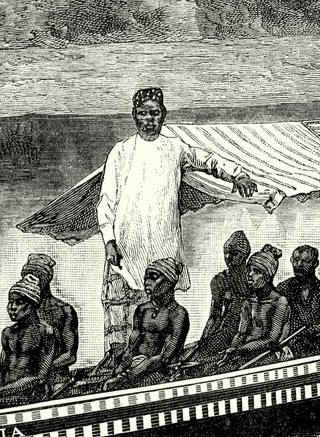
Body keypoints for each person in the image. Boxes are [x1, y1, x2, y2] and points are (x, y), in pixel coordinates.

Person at [97, 87, 258, 352]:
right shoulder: (121, 151)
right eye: (143, 113)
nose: (149, 119)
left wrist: (237, 175)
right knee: (123, 322)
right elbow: (106, 200)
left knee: (161, 322)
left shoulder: (174, 147)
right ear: (134, 115)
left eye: (154, 113)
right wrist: (109, 240)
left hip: (163, 251)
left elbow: (208, 160)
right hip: (126, 250)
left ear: (163, 115)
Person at [102, 258, 191, 391]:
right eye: (146, 278)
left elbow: (167, 355)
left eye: (154, 278)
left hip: (161, 370)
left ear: (169, 282)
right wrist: (119, 370)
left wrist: (131, 375)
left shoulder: (178, 314)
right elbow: (131, 348)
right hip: (137, 367)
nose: (147, 283)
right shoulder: (142, 310)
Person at [0, 276, 59, 408]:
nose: (12, 307)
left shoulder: (45, 332)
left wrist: (4, 390)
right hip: (4, 393)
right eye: (10, 302)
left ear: (32, 304)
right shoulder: (8, 333)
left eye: (19, 302)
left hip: (32, 394)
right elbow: (3, 368)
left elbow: (40, 377)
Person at [221, 245, 290, 369]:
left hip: (270, 356)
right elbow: (241, 334)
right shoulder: (248, 302)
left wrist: (240, 350)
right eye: (249, 270)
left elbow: (272, 339)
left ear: (268, 276)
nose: (250, 275)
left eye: (257, 272)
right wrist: (232, 349)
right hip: (247, 354)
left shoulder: (280, 302)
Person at [193, 230, 251, 361]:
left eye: (234, 254)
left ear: (244, 256)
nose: (228, 257)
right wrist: (204, 340)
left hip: (250, 331)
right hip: (227, 330)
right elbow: (214, 316)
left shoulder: (254, 278)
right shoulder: (219, 280)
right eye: (226, 253)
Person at [276, 245, 320, 356]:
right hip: (290, 350)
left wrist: (314, 329)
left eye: (305, 261)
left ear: (315, 264)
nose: (299, 265)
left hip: (318, 348)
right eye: (296, 260)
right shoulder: (284, 289)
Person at [20, 253, 78, 377]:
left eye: (36, 276)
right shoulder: (25, 310)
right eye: (26, 276)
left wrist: (40, 371)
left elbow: (70, 355)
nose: (30, 281)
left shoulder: (64, 310)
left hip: (56, 378)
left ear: (46, 279)